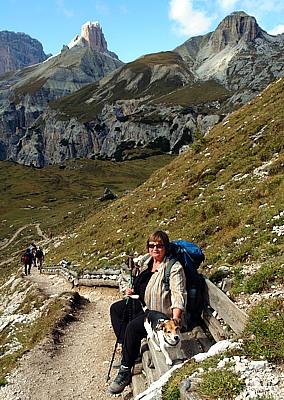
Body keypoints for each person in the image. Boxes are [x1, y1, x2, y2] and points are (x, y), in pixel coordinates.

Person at [108, 230, 187, 395]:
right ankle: (130, 351)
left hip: (157, 314)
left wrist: (175, 320)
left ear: (166, 247)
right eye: (152, 245)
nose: (155, 249)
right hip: (141, 304)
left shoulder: (173, 267)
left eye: (159, 245)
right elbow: (143, 283)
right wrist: (132, 290)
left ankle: (125, 369)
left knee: (132, 327)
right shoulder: (148, 262)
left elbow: (178, 295)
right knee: (116, 309)